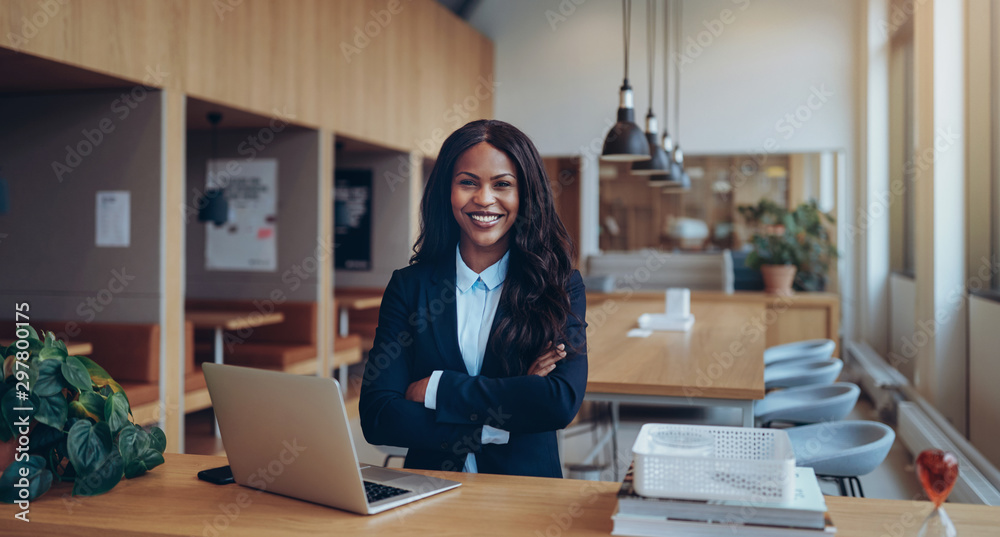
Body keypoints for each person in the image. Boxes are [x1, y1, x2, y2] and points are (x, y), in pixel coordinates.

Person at [359, 119, 587, 478]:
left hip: (527, 497)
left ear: (525, 195)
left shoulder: (558, 286)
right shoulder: (409, 287)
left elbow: (557, 403)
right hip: (428, 491)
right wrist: (505, 410)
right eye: (468, 182)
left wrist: (435, 388)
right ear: (447, 192)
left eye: (502, 185)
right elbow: (379, 416)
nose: (484, 199)